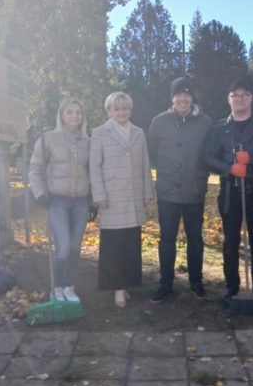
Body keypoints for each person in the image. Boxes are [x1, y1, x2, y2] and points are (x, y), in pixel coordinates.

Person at [205, 75, 253, 303]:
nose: (239, 99)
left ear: (251, 98)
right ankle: (232, 288)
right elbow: (208, 157)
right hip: (229, 194)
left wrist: (252, 157)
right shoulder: (219, 128)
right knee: (230, 243)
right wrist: (229, 168)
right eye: (235, 95)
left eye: (244, 95)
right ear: (228, 99)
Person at [147, 77, 213, 303]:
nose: (182, 99)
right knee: (167, 238)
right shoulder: (159, 122)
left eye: (186, 94)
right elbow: (151, 151)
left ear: (192, 97)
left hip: (194, 190)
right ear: (172, 98)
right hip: (168, 191)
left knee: (195, 239)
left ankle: (196, 282)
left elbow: (210, 153)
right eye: (178, 95)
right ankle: (165, 284)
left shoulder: (205, 122)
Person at [90, 91, 154, 308]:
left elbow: (145, 163)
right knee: (113, 244)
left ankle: (126, 283)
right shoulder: (99, 133)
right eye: (116, 109)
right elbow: (94, 167)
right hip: (111, 196)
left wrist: (147, 192)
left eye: (124, 108)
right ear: (109, 111)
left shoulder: (139, 132)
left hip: (133, 195)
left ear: (130, 110)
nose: (121, 112)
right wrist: (99, 195)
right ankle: (116, 287)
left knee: (130, 243)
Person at [28, 99, 91, 303]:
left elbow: (93, 171)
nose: (74, 116)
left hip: (81, 202)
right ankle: (57, 287)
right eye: (69, 112)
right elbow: (35, 168)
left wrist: (94, 200)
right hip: (57, 201)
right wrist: (39, 193)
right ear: (62, 115)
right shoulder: (48, 139)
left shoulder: (88, 142)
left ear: (83, 117)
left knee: (74, 247)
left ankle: (69, 286)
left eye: (78, 112)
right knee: (63, 248)